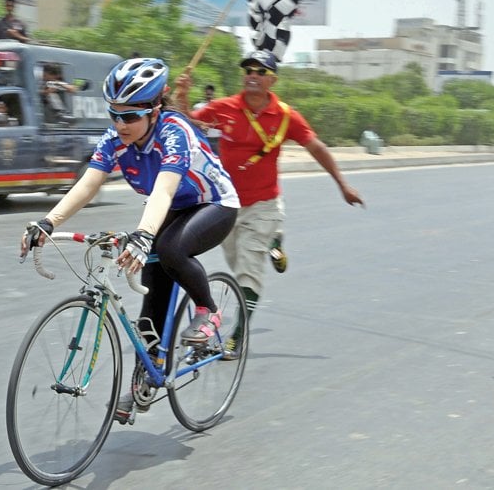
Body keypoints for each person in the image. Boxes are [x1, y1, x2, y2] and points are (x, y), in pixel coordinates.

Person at [20, 58, 240, 421]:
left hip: (213, 204)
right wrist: (48, 220)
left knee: (169, 248)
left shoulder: (174, 132)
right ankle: (147, 375)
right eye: (114, 115)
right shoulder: (116, 139)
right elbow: (89, 183)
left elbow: (164, 190)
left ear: (154, 110)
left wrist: (144, 234)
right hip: (169, 207)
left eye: (130, 116)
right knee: (151, 293)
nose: (121, 124)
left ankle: (209, 311)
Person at [174, 49, 364, 358]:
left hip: (264, 204)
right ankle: (276, 241)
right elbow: (188, 124)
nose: (252, 74)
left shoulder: (286, 116)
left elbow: (315, 147)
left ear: (271, 80)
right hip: (228, 203)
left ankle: (237, 335)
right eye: (248, 69)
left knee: (249, 272)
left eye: (260, 71)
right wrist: (182, 95)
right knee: (237, 265)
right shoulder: (224, 108)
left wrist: (342, 185)